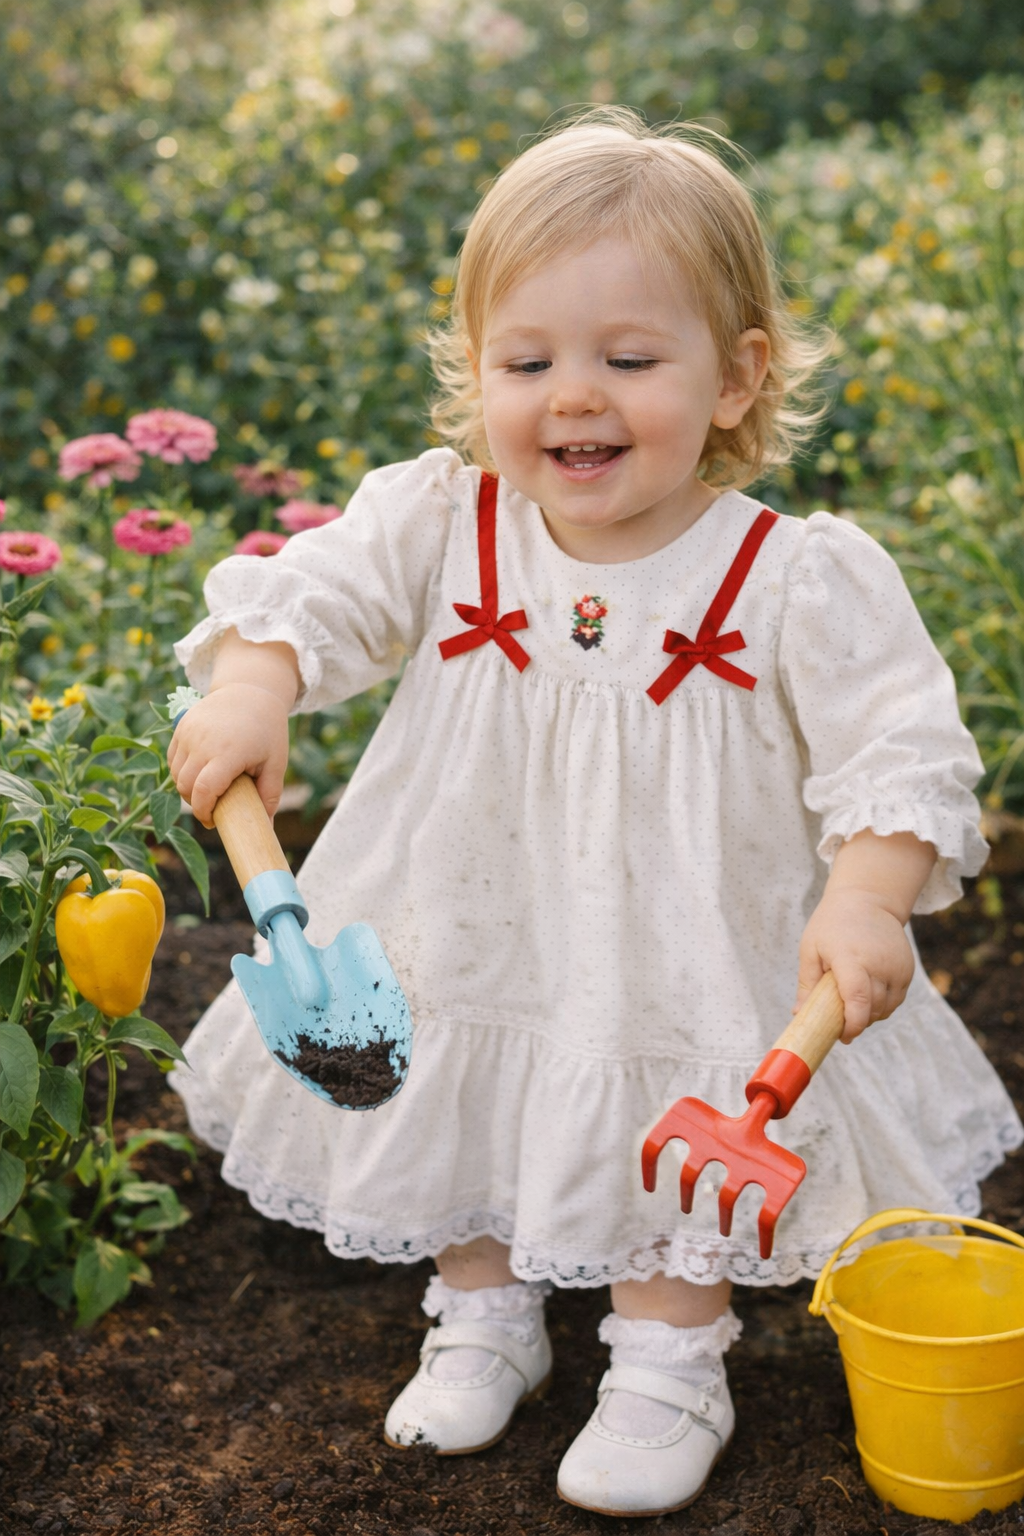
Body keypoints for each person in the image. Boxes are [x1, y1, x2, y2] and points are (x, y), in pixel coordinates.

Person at [167, 109, 1022, 1518]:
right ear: (476, 368)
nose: (575, 397)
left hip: (684, 933)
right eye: (528, 362)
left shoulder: (788, 577)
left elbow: (898, 748)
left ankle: (670, 1360)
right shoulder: (446, 523)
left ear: (738, 377)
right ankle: (483, 1311)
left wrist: (870, 894)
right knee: (455, 1073)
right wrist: (258, 687)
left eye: (629, 361)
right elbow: (311, 595)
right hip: (473, 903)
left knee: (675, 1094)